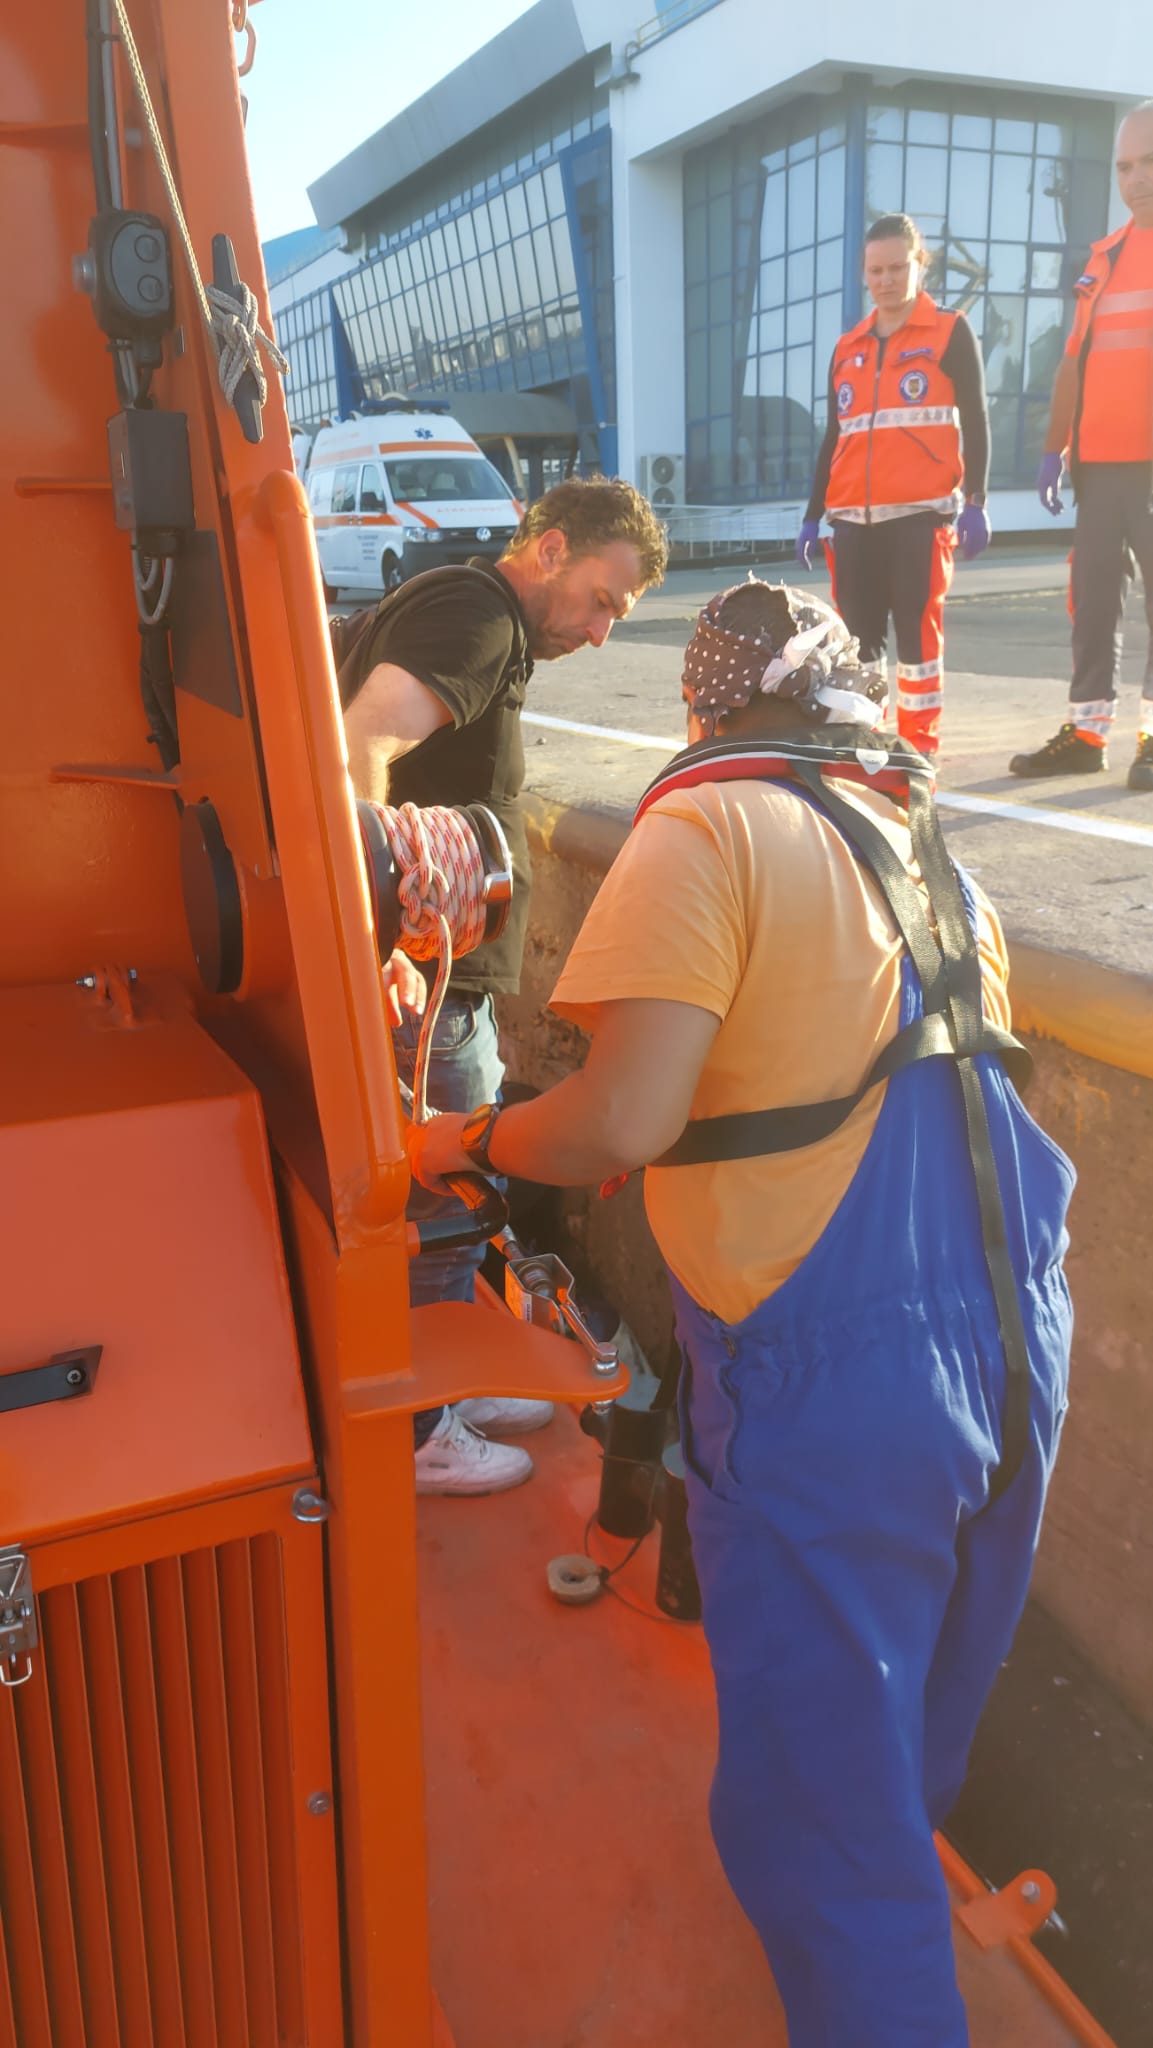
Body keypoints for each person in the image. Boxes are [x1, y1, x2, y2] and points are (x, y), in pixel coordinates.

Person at [409, 578, 1073, 2045]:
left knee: (820, 1819)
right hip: (1018, 1333)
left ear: (705, 704)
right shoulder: (914, 837)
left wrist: (462, 1139)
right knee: (907, 1723)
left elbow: (617, 1120)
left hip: (838, 1382)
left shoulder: (705, 824)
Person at [332, 476, 668, 1496]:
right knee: (442, 1194)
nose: (601, 632)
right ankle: (419, 1426)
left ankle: (452, 1384)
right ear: (550, 547)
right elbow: (361, 742)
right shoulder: (477, 619)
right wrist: (373, 937)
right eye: (602, 600)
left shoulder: (467, 609)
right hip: (425, 981)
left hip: (436, 970)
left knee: (448, 1198)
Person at [797, 212, 991, 759]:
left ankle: (919, 751)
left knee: (918, 642)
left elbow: (977, 419)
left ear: (920, 264)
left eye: (897, 268)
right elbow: (835, 436)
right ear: (864, 272)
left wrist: (977, 500)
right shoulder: (847, 347)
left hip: (920, 519)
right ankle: (869, 746)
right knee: (858, 646)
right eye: (876, 270)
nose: (885, 280)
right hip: (852, 524)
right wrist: (813, 514)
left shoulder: (949, 331)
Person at [1010, 101, 1153, 792]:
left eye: (1148, 162)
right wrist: (1054, 447)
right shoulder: (1103, 259)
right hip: (1099, 466)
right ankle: (1087, 733)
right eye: (1124, 166)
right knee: (1092, 604)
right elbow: (1074, 361)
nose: (1135, 178)